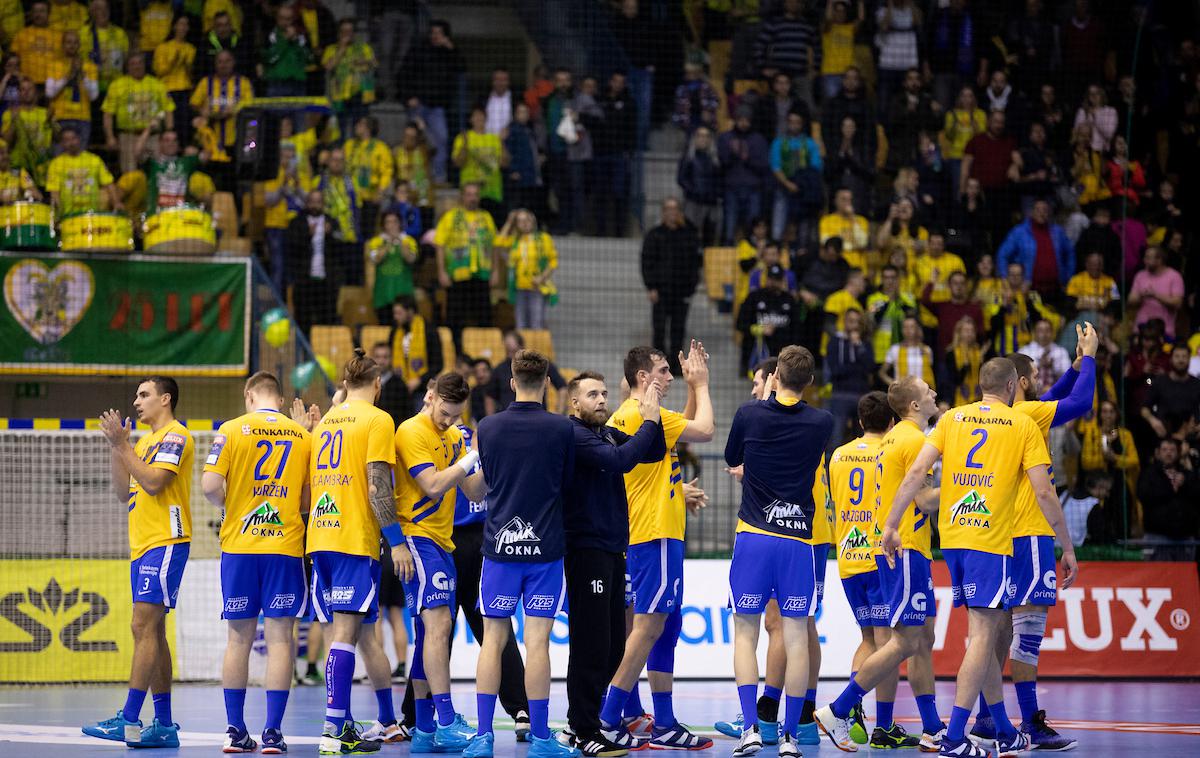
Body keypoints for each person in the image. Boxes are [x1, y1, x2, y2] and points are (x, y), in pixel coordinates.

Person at [879, 358, 1078, 758]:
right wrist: (1067, 546)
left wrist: (891, 523)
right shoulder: (1022, 423)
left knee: (982, 635)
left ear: (980, 383)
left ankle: (1001, 729)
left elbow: (917, 471)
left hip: (952, 538)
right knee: (984, 636)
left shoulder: (952, 419)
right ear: (1010, 387)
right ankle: (954, 737)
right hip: (990, 539)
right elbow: (1043, 492)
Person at [967, 330, 1097, 751]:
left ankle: (989, 717)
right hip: (1030, 531)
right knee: (1029, 631)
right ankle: (1031, 722)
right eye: (1036, 374)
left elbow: (1054, 395)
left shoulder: (1008, 413)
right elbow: (1080, 403)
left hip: (996, 533)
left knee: (1001, 627)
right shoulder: (1027, 416)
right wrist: (1091, 359)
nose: (1043, 379)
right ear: (1019, 382)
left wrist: (1074, 368)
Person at [815, 375, 945, 752]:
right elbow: (924, 501)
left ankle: (932, 726)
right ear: (913, 407)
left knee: (917, 638)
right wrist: (967, 482)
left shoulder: (862, 448)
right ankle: (841, 708)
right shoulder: (912, 440)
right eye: (927, 391)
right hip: (902, 548)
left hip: (869, 550)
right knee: (902, 641)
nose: (934, 393)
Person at [597, 343, 714, 750]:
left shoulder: (633, 417)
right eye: (664, 371)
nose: (670, 377)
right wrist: (701, 383)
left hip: (650, 530)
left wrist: (679, 490)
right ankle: (610, 717)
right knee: (647, 628)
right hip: (655, 534)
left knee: (662, 627)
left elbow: (675, 429)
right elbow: (704, 429)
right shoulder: (641, 415)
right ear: (643, 377)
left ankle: (661, 721)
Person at [467, 349, 578, 758]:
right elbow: (566, 484)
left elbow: (483, 485)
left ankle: (482, 736)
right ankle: (543, 738)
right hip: (546, 550)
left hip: (499, 549)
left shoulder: (489, 427)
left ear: (512, 382)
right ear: (547, 383)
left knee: (492, 642)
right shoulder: (561, 429)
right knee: (538, 644)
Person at [715, 356, 830, 748]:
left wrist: (764, 399)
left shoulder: (750, 413)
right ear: (811, 381)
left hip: (754, 536)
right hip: (798, 541)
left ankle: (750, 728)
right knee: (796, 638)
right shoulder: (822, 422)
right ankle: (790, 738)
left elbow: (734, 458)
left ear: (775, 376)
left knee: (745, 636)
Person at [200, 372, 311, 754]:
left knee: (238, 639)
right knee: (280, 639)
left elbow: (210, 486)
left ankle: (235, 731)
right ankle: (273, 735)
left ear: (249, 396)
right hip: (283, 547)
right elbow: (307, 499)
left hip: (240, 546)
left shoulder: (229, 429)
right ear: (279, 400)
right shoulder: (302, 436)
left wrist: (237, 507)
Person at [562, 371, 666, 756]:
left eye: (605, 393)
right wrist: (650, 421)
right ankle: (584, 729)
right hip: (585, 549)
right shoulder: (575, 435)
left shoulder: (605, 433)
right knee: (590, 644)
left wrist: (649, 411)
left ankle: (582, 723)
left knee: (610, 648)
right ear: (574, 403)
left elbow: (651, 452)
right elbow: (624, 460)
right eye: (593, 394)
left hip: (610, 549)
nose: (602, 399)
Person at [84, 377, 192, 749]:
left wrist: (123, 446)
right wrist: (118, 449)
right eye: (136, 395)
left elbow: (153, 482)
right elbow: (121, 490)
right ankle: (163, 725)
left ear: (165, 399)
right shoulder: (143, 442)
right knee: (154, 632)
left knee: (140, 625)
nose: (137, 401)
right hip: (142, 545)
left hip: (166, 540)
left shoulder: (176, 435)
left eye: (144, 394)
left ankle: (129, 719)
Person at [306, 350, 400, 756]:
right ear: (377, 385)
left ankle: (387, 721)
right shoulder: (378, 419)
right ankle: (334, 729)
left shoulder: (329, 419)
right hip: (352, 537)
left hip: (320, 537)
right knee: (346, 635)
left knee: (359, 634)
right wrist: (396, 542)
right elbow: (378, 486)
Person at [388, 373, 487, 750]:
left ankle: (424, 730)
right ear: (429, 397)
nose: (447, 420)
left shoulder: (453, 436)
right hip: (417, 535)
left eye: (455, 415)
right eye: (444, 413)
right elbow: (431, 485)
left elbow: (473, 488)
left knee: (430, 633)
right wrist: (472, 456)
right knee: (439, 625)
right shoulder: (411, 431)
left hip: (441, 542)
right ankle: (445, 720)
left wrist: (491, 460)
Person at [829, 391, 924, 749]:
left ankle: (855, 712)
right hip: (879, 555)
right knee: (891, 643)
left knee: (869, 639)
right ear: (892, 422)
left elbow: (836, 502)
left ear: (858, 421)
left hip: (848, 556)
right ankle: (879, 724)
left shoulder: (838, 455)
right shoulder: (890, 452)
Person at [397, 20, 464, 184]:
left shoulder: (449, 54)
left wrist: (451, 48)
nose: (435, 36)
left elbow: (462, 68)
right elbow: (402, 75)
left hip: (437, 108)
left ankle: (438, 178)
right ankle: (410, 179)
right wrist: (408, 98)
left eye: (439, 33)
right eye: (433, 32)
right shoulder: (419, 50)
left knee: (441, 140)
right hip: (418, 106)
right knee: (415, 140)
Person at [641, 198, 701, 373]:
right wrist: (651, 286)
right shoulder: (654, 235)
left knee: (678, 330)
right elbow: (646, 262)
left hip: (681, 292)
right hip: (660, 291)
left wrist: (691, 288)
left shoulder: (688, 236)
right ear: (663, 212)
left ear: (679, 212)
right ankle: (658, 367)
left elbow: (695, 264)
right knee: (659, 329)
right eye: (668, 209)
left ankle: (675, 368)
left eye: (675, 209)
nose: (671, 212)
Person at [434, 183, 498, 346]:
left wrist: (495, 271)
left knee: (485, 317)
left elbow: (494, 245)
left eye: (475, 194)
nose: (472, 198)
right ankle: (456, 352)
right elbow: (439, 244)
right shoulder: (451, 217)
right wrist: (442, 272)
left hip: (481, 276)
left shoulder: (486, 218)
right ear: (462, 197)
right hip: (458, 276)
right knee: (455, 319)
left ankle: (485, 352)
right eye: (469, 194)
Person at [102, 54, 173, 174]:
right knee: (129, 173)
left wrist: (169, 131)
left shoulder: (157, 84)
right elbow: (108, 114)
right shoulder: (117, 85)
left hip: (153, 136)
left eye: (140, 63)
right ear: (127, 67)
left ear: (145, 65)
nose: (137, 66)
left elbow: (168, 109)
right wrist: (110, 137)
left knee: (158, 172)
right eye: (133, 64)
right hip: (128, 136)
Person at [996, 200, 1075, 304]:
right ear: (1031, 212)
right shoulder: (1019, 232)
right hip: (1029, 290)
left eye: (1045, 210)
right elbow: (1002, 255)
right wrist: (1005, 279)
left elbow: (1070, 254)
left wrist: (1068, 278)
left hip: (1056, 289)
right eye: (1038, 210)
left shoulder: (1058, 232)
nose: (1041, 213)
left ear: (1049, 213)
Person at [285, 189, 338, 336]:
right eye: (312, 201)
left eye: (318, 201)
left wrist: (329, 235)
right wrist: (307, 235)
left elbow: (340, 250)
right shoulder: (297, 222)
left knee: (326, 321)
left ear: (323, 204)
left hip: (326, 282)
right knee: (303, 321)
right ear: (307, 203)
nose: (315, 205)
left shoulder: (331, 222)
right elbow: (291, 248)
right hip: (304, 282)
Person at [1137, 439, 1200, 558]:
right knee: (1157, 576)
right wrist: (1169, 486)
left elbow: (1196, 495)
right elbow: (1143, 495)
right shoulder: (1149, 473)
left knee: (1184, 576)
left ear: (1178, 453)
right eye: (1165, 450)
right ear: (1157, 452)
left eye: (1172, 450)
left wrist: (1185, 482)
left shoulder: (1186, 474)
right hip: (1157, 537)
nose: (1168, 453)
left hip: (1185, 538)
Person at [769, 110, 823, 248]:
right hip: (783, 188)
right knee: (779, 221)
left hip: (803, 192)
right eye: (791, 122)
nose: (794, 125)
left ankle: (800, 250)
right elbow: (775, 166)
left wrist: (801, 184)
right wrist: (788, 184)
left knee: (804, 226)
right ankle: (777, 247)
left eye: (797, 122)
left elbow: (816, 166)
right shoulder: (779, 142)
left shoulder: (809, 143)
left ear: (802, 124)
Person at [496, 209, 557, 331]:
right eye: (520, 221)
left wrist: (541, 278)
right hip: (520, 288)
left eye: (526, 219)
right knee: (520, 324)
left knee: (536, 323)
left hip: (537, 287)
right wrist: (509, 222)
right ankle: (523, 350)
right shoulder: (515, 240)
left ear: (533, 221)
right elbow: (498, 243)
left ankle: (536, 350)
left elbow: (553, 262)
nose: (524, 223)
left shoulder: (544, 238)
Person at [736, 264, 802, 375]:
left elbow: (798, 331)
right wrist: (759, 329)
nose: (773, 282)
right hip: (757, 358)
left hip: (783, 360)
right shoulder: (754, 297)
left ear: (782, 280)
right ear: (766, 279)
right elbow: (740, 324)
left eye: (777, 279)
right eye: (771, 278)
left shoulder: (790, 300)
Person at [718, 107, 771, 244]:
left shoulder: (759, 140)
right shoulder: (725, 138)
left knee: (752, 226)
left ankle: (751, 253)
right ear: (735, 120)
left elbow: (764, 166)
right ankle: (727, 248)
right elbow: (721, 163)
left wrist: (747, 158)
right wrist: (732, 153)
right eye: (741, 120)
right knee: (729, 223)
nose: (744, 123)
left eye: (746, 120)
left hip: (753, 189)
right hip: (731, 188)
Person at [486, 330, 568, 414]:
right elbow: (490, 396)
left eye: (514, 351)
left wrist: (560, 412)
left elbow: (562, 386)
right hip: (508, 419)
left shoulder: (539, 364)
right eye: (508, 351)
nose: (511, 356)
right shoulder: (500, 369)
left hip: (538, 416)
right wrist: (491, 418)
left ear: (522, 346)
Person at [45, 125, 119, 216]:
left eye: (73, 138)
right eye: (66, 140)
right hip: (68, 215)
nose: (71, 143)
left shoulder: (94, 160)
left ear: (79, 139)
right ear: (62, 143)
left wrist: (116, 203)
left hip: (92, 214)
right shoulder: (56, 164)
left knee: (104, 193)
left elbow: (109, 183)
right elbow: (54, 193)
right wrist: (59, 214)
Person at [322, 19, 376, 137]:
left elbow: (373, 64)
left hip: (359, 94)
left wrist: (363, 61)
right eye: (344, 31)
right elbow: (328, 67)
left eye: (350, 31)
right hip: (338, 96)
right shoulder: (331, 49)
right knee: (339, 129)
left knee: (358, 128)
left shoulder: (363, 48)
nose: (348, 34)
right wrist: (342, 49)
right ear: (339, 33)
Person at [388, 295, 444, 410]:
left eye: (399, 313)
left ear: (410, 311)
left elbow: (438, 364)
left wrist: (419, 380)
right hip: (399, 389)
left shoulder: (429, 330)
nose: (395, 317)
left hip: (422, 389)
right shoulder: (394, 331)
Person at [45, 30, 97, 148]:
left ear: (79, 45)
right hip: (60, 117)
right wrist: (68, 76)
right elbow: (49, 93)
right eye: (68, 42)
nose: (72, 45)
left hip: (82, 118)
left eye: (75, 42)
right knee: (59, 156)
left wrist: (83, 76)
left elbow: (94, 96)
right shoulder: (54, 65)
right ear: (62, 45)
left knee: (79, 159)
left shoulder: (90, 66)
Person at [365, 210, 418, 325]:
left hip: (404, 295)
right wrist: (389, 243)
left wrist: (399, 241)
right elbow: (376, 259)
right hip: (383, 295)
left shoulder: (409, 241)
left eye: (395, 222)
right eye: (388, 222)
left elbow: (410, 258)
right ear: (383, 225)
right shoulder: (376, 242)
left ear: (400, 223)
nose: (392, 225)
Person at [345, 116, 393, 240]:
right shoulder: (350, 145)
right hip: (350, 197)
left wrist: (381, 191)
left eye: (360, 124)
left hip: (370, 198)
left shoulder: (380, 148)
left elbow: (387, 171)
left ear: (368, 128)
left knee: (368, 232)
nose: (356, 127)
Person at [1141, 345, 1200, 441]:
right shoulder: (1160, 382)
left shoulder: (1197, 384)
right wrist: (1153, 421)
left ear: (1189, 359)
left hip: (1190, 438)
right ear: (1171, 359)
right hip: (1164, 438)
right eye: (1177, 356)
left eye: (1184, 356)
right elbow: (1144, 408)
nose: (1181, 360)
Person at [152, 14, 195, 145]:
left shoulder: (191, 49)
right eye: (181, 24)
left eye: (186, 25)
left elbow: (192, 74)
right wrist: (174, 62)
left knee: (184, 125)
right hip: (167, 91)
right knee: (168, 125)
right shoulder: (162, 48)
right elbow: (159, 72)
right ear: (174, 26)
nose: (183, 28)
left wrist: (187, 67)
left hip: (185, 91)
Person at [1, 76, 51, 185]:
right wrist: (14, 121)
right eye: (23, 89)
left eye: (30, 89)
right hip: (18, 166)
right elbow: (6, 143)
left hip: (40, 166)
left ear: (36, 92)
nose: (26, 92)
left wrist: (53, 122)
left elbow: (55, 142)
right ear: (19, 93)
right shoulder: (9, 113)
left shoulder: (45, 113)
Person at [676, 126, 721, 245]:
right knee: (690, 231)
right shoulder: (688, 157)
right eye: (700, 136)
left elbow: (718, 179)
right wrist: (693, 191)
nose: (703, 139)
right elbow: (681, 178)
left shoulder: (714, 158)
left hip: (710, 202)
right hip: (693, 201)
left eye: (706, 136)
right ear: (695, 138)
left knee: (710, 233)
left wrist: (715, 193)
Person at [1128, 246, 1185, 339]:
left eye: (1148, 258)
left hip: (1165, 331)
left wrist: (1155, 295)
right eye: (1145, 257)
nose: (1144, 260)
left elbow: (1178, 303)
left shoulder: (1174, 276)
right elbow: (1130, 300)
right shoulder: (1140, 275)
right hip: (1141, 330)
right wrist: (1142, 295)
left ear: (1159, 260)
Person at [261, 4, 313, 100]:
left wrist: (296, 42)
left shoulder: (301, 37)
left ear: (293, 19)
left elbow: (309, 59)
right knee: (276, 114)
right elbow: (269, 59)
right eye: (282, 18)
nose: (285, 22)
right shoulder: (270, 36)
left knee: (298, 114)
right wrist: (285, 41)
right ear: (276, 18)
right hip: (277, 84)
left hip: (298, 84)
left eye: (288, 19)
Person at [81, 0, 129, 97]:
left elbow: (125, 60)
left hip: (116, 86)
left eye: (105, 8)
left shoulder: (119, 33)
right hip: (92, 86)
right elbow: (80, 60)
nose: (103, 12)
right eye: (98, 8)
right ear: (92, 12)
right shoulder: (84, 33)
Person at [11, 2, 58, 85]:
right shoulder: (21, 34)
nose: (38, 14)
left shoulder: (58, 35)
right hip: (27, 85)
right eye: (35, 11)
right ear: (31, 14)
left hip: (52, 85)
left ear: (49, 14)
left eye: (42, 11)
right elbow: (13, 61)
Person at [880, 316, 934, 389]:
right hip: (903, 392)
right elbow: (882, 373)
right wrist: (894, 385)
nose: (908, 330)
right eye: (905, 327)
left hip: (922, 391)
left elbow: (930, 375)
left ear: (917, 329)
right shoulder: (895, 349)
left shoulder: (926, 350)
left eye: (911, 327)